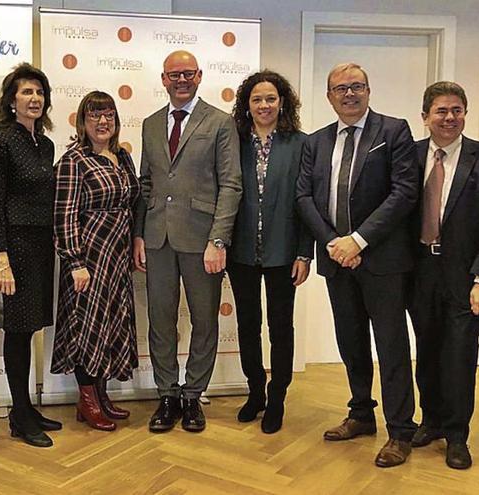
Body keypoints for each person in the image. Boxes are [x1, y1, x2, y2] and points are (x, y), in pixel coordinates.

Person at [295, 62, 419, 467]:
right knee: (350, 342)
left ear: (368, 91)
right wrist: (333, 243)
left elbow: (403, 193)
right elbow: (304, 199)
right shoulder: (315, 142)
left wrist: (359, 239)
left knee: (392, 346)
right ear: (329, 96)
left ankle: (401, 430)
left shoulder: (393, 131)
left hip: (381, 259)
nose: (349, 94)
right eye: (340, 88)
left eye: (357, 86)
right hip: (337, 262)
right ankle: (361, 414)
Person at [132, 50, 242, 433]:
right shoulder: (149, 124)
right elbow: (146, 184)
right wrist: (139, 234)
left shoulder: (220, 122)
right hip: (158, 238)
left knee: (203, 320)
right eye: (174, 74)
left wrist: (219, 239)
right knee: (160, 321)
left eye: (188, 73)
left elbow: (231, 184)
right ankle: (167, 395)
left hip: (202, 240)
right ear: (163, 79)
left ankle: (193, 396)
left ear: (199, 76)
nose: (181, 80)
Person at [407, 81, 479, 469]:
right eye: (441, 111)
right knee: (427, 350)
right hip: (419, 272)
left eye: (456, 110)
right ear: (425, 117)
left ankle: (457, 434)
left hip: (466, 278)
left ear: (465, 113)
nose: (449, 118)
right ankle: (431, 420)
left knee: (460, 354)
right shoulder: (410, 156)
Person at [227, 70, 312, 434]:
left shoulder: (301, 144)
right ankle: (255, 392)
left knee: (281, 328)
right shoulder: (233, 141)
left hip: (284, 252)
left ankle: (278, 398)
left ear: (283, 103)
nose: (264, 105)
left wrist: (304, 253)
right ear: (247, 105)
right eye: (257, 99)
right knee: (247, 324)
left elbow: (308, 202)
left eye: (271, 99)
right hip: (241, 251)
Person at [52, 91, 141, 432]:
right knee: (86, 328)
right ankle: (88, 400)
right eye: (95, 116)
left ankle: (100, 396)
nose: (103, 122)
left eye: (108, 116)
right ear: (82, 122)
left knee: (109, 327)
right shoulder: (74, 161)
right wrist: (75, 262)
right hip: (88, 260)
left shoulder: (122, 157)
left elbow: (133, 204)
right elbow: (63, 216)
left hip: (117, 259)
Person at [0, 63, 60, 447]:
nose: (34, 99)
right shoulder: (0, 142)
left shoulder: (44, 144)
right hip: (14, 248)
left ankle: (27, 409)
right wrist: (2, 259)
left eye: (39, 93)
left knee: (31, 328)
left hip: (42, 246)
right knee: (16, 331)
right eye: (26, 92)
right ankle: (18, 413)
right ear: (11, 101)